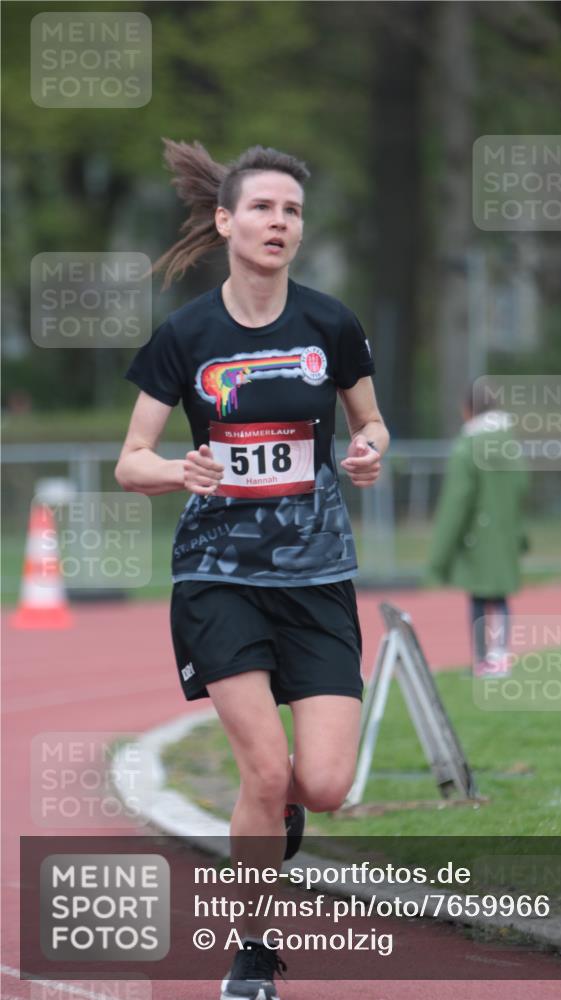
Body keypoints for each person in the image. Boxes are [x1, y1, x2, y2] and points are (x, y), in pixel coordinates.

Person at [115, 141, 389, 999]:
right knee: (263, 773)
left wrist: (369, 453)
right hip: (218, 574)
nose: (280, 222)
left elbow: (371, 424)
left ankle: (279, 817)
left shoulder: (330, 325)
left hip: (316, 576)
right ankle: (254, 951)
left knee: (327, 784)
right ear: (227, 222)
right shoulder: (186, 335)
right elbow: (131, 460)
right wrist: (178, 469)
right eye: (264, 208)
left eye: (293, 211)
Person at [429, 383, 529, 677]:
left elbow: (456, 503)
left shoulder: (468, 447)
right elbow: (522, 487)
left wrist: (439, 558)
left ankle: (483, 660)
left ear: (467, 410)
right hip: (506, 532)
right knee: (501, 596)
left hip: (476, 537)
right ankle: (501, 656)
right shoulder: (510, 443)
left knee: (478, 598)